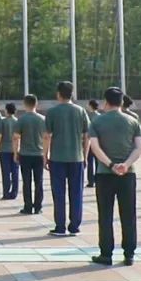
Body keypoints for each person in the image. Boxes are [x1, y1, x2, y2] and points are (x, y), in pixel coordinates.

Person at [88, 87, 141, 266]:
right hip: (128, 173)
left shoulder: (97, 121)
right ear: (121, 102)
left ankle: (106, 254)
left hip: (105, 174)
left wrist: (111, 165)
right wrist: (125, 164)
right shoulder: (133, 121)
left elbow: (95, 147)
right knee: (128, 214)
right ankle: (129, 253)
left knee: (105, 214)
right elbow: (140, 148)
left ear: (106, 101)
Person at [44, 81, 89, 237]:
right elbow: (87, 136)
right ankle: (75, 226)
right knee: (76, 192)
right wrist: (85, 155)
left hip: (57, 157)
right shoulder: (81, 111)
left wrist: (45, 155)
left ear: (58, 94)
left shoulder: (52, 112)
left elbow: (47, 136)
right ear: (72, 94)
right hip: (77, 157)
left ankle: (60, 226)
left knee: (58, 193)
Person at [14, 95, 45, 215]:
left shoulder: (21, 119)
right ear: (36, 104)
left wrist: (15, 153)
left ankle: (27, 207)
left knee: (26, 182)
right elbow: (47, 137)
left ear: (24, 104)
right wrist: (46, 153)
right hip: (39, 154)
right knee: (39, 181)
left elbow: (16, 137)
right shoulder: (43, 119)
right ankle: (38, 207)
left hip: (25, 154)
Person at [0, 102, 19, 200]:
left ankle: (6, 192)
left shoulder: (3, 122)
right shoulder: (18, 121)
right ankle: (14, 192)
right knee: (15, 172)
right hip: (15, 149)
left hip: (4, 149)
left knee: (5, 172)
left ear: (6, 110)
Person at [85, 100, 101, 187]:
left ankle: (90, 181)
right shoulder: (100, 116)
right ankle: (98, 179)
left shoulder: (88, 116)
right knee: (98, 162)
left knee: (90, 162)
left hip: (90, 141)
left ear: (91, 106)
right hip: (99, 142)